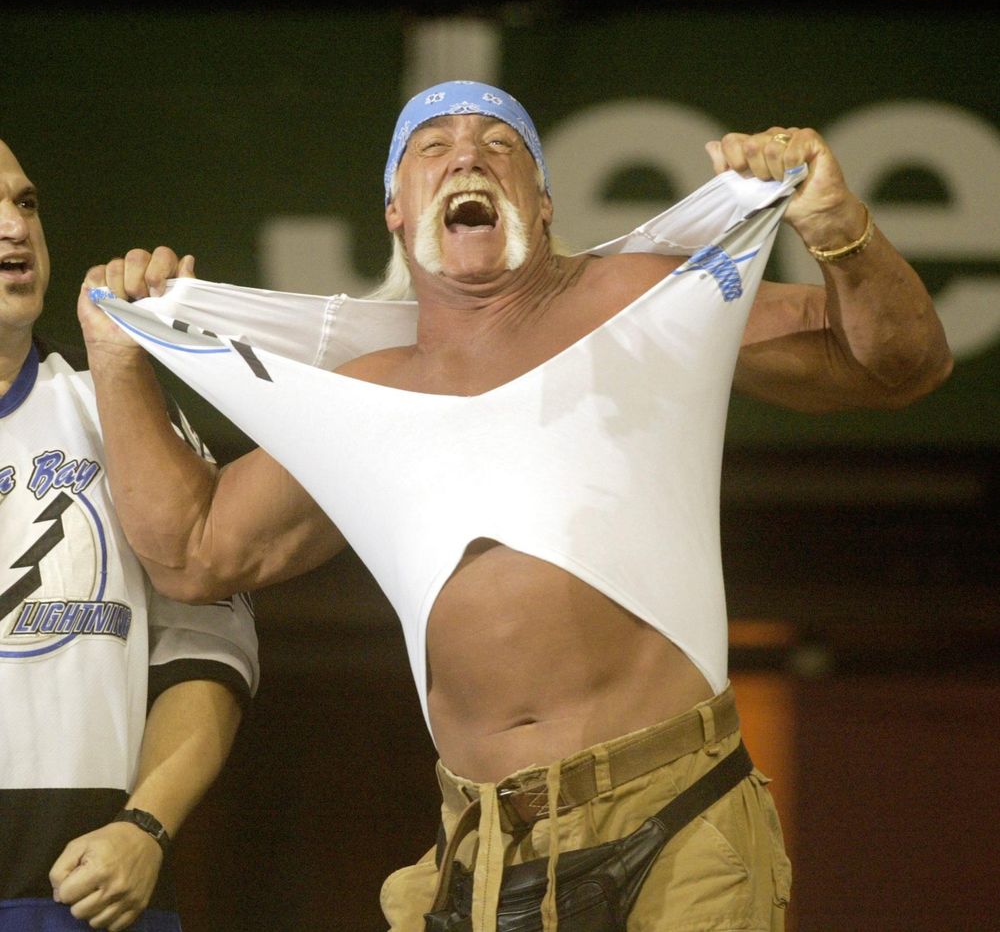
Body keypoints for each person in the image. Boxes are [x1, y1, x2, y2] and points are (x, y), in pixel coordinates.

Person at [76, 81, 952, 932]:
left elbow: (897, 365)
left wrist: (841, 230)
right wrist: (116, 357)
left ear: (541, 202)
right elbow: (191, 555)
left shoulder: (639, 299)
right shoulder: (363, 401)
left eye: (500, 145)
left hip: (677, 815)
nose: (468, 155)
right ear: (393, 208)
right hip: (484, 851)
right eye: (434, 147)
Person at [0, 137, 259, 932]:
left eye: (25, 203)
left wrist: (144, 829)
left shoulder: (114, 404)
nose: (14, 228)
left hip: (87, 896)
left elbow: (211, 650)